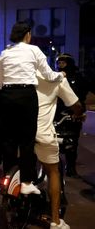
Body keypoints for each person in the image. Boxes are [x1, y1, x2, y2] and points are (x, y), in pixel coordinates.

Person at [0, 21, 64, 195]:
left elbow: (0, 82)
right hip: (26, 95)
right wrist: (61, 75)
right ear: (27, 34)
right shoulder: (34, 50)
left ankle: (9, 178)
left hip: (7, 96)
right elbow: (49, 75)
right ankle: (26, 182)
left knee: (9, 140)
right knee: (27, 140)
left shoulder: (4, 54)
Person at [35, 71, 85, 229]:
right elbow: (75, 104)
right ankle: (55, 221)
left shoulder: (19, 76)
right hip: (41, 132)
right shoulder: (56, 79)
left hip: (16, 132)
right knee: (53, 171)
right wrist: (79, 114)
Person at [54, 54, 95, 177]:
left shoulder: (79, 78)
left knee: (72, 143)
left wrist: (80, 111)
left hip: (74, 114)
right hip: (57, 114)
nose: (60, 65)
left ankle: (70, 168)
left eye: (63, 63)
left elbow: (89, 91)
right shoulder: (56, 78)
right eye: (58, 63)